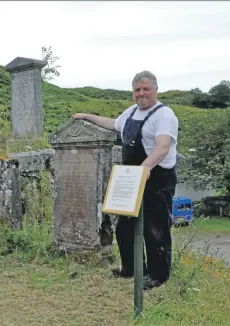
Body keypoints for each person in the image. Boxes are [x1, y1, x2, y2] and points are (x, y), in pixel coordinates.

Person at [72, 71, 178, 290]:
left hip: (157, 178)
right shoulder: (130, 113)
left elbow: (163, 147)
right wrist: (85, 116)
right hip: (130, 179)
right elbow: (112, 124)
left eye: (146, 89)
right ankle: (131, 269)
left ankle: (158, 276)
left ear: (155, 89)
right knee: (124, 228)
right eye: (137, 90)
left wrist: (145, 169)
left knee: (155, 229)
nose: (141, 94)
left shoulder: (164, 115)